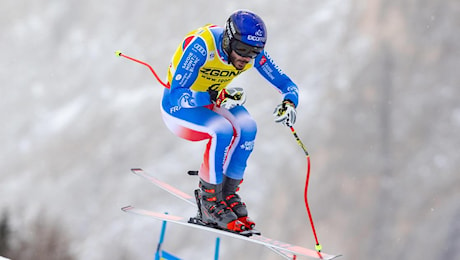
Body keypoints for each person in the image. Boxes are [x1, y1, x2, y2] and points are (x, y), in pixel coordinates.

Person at [161, 10, 298, 232]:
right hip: (178, 109)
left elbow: (287, 84)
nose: (246, 58)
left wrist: (289, 102)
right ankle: (209, 202)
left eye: (254, 53)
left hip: (213, 100)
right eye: (242, 50)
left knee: (249, 127)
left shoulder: (251, 54)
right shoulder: (202, 46)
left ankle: (227, 194)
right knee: (221, 130)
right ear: (227, 39)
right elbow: (178, 93)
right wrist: (215, 95)